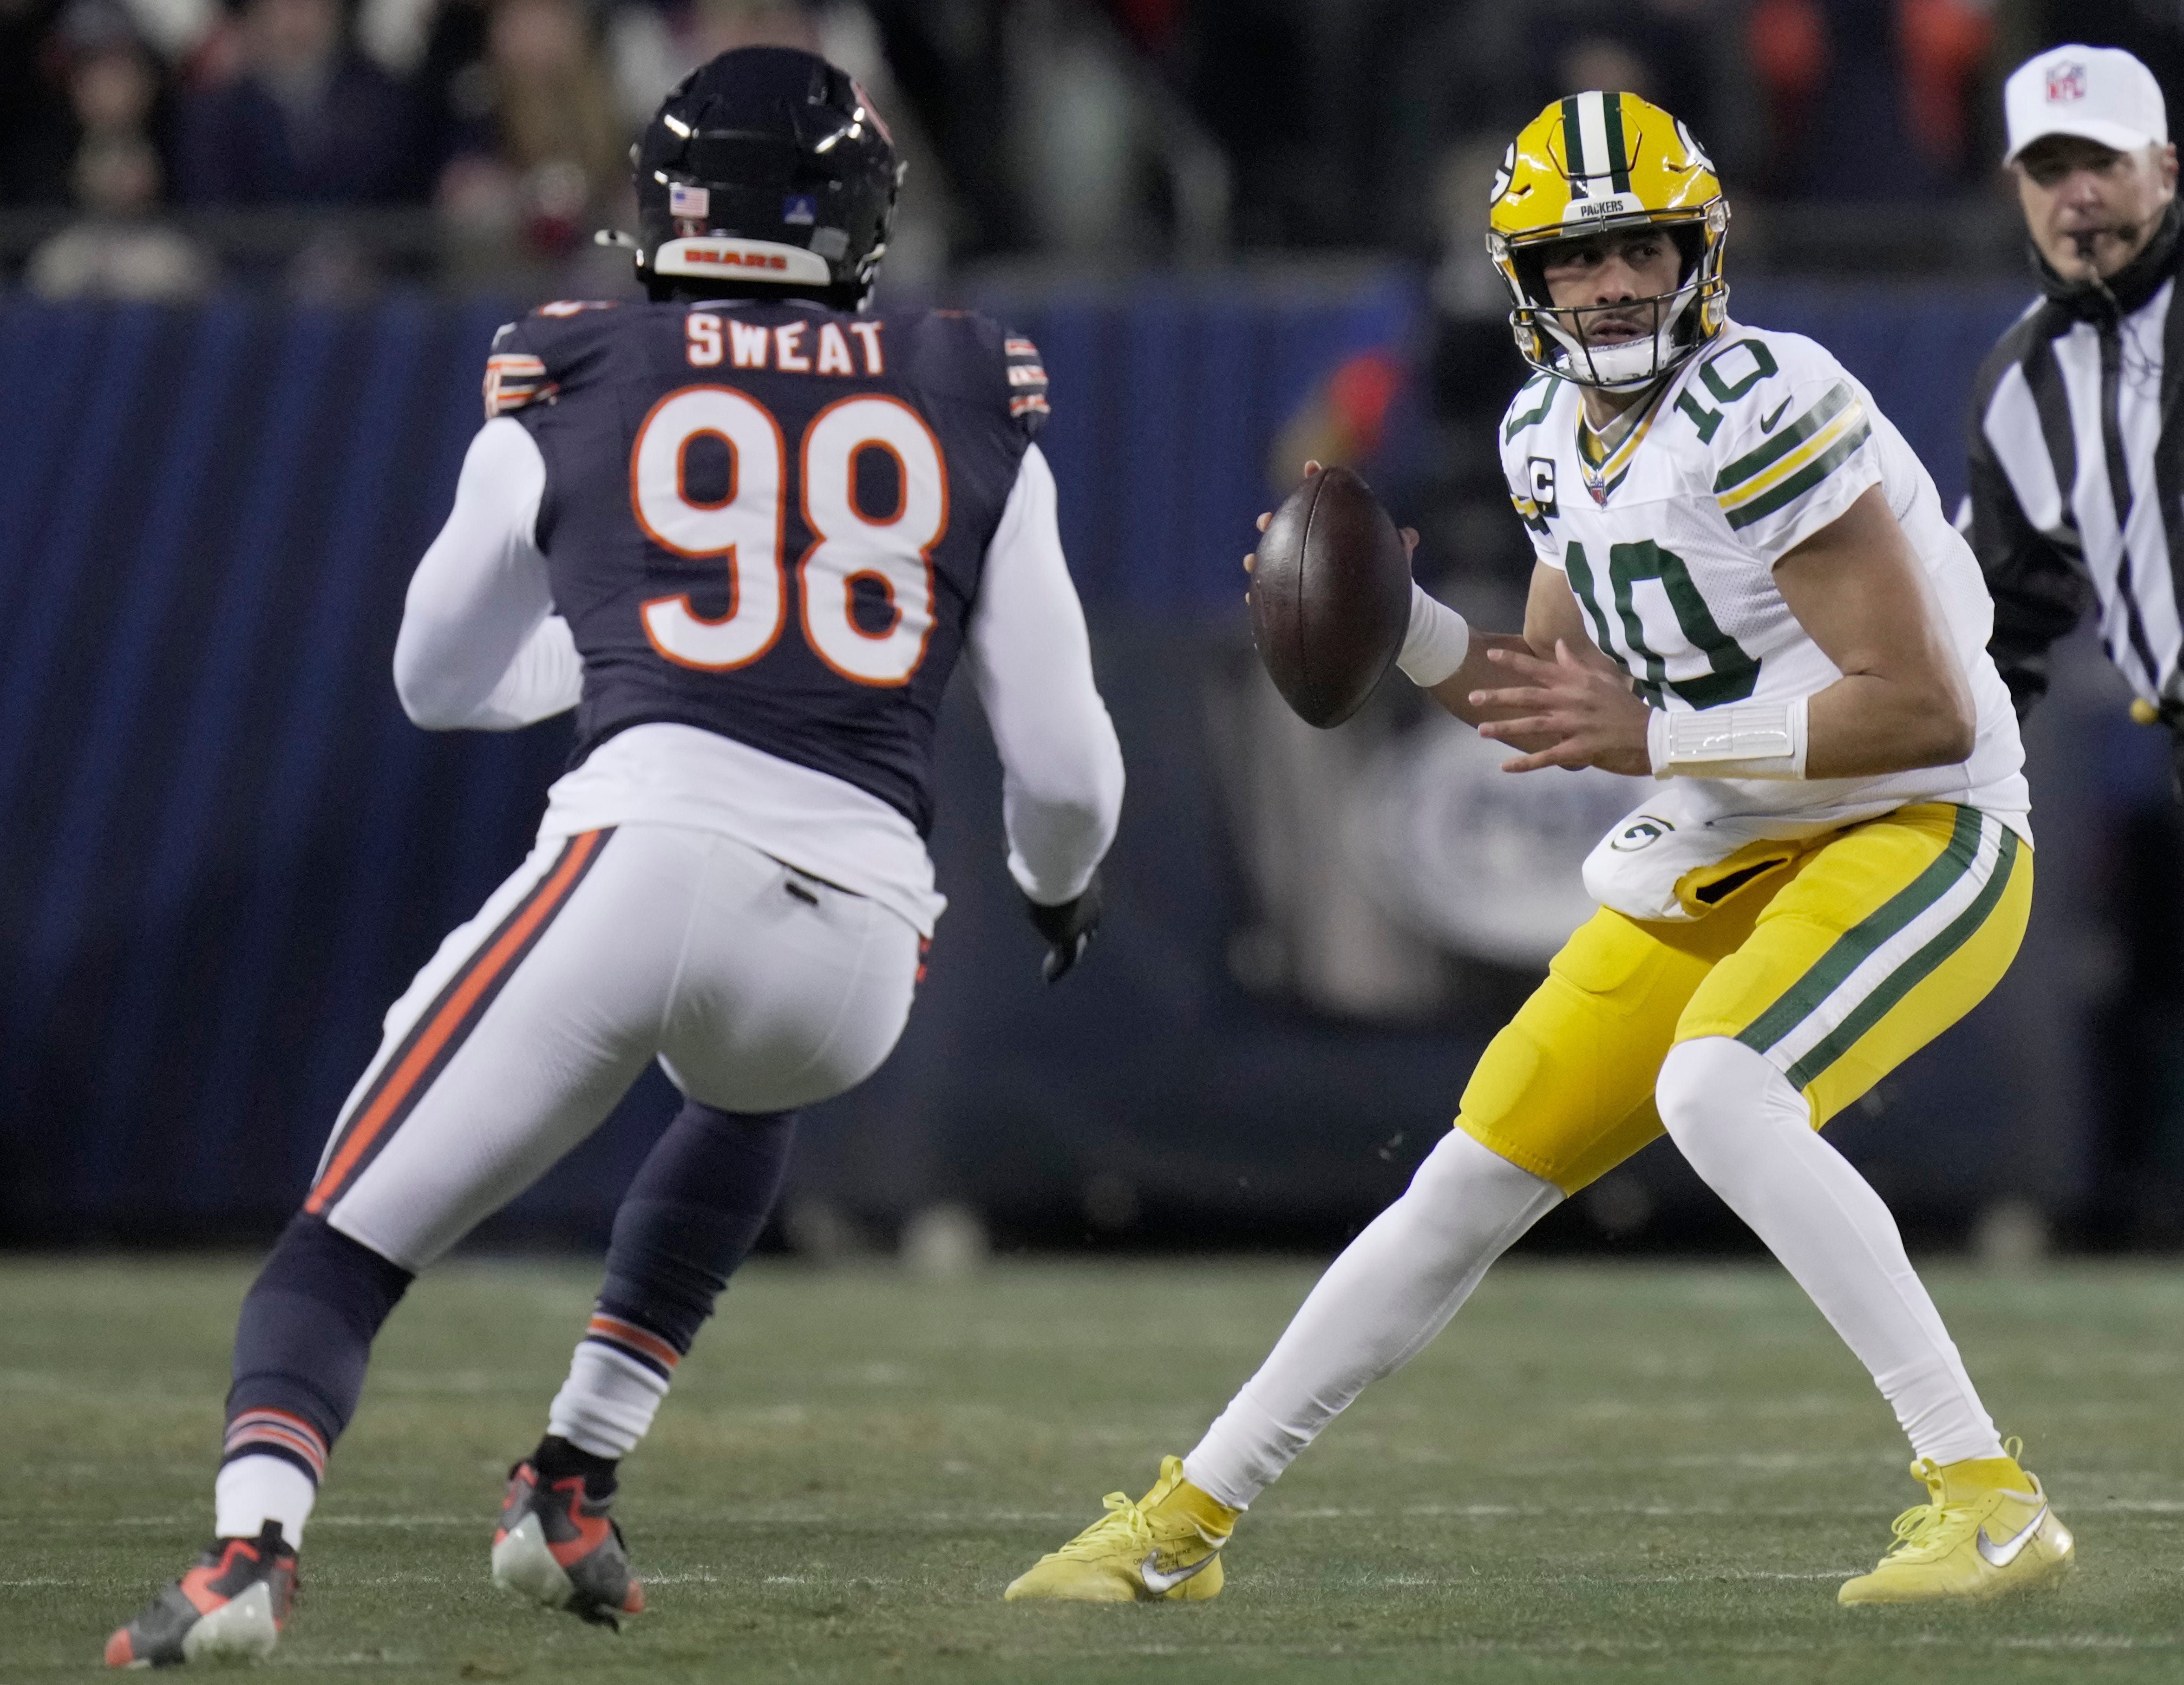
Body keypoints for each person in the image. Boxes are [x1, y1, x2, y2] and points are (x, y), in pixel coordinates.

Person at [104, 46, 1123, 1667]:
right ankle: (573, 1475)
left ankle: (250, 1552)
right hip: (863, 938)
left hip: (644, 850)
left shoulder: (572, 364)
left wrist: (622, 654)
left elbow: (435, 678)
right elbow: (1065, 767)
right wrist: (1056, 889)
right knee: (749, 1092)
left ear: (665, 210)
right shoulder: (967, 383)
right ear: (860, 222)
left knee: (342, 1246)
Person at [1008, 91, 2073, 1611]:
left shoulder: (1765, 398)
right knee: (1465, 1177)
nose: (1612, 283)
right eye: (1576, 258)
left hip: (1918, 820)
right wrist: (1396, 623)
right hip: (1727, 839)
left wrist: (1662, 737)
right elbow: (1551, 700)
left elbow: (1918, 704)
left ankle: (1987, 1499)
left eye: (1639, 248)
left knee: (1717, 1086)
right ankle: (1182, 1522)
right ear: (1524, 280)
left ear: (1697, 254)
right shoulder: (1540, 435)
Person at [1965, 46, 2184, 774]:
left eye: (2104, 162)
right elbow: (1994, 624)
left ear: (2165, 171)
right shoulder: (2021, 386)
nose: (2078, 194)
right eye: (2049, 171)